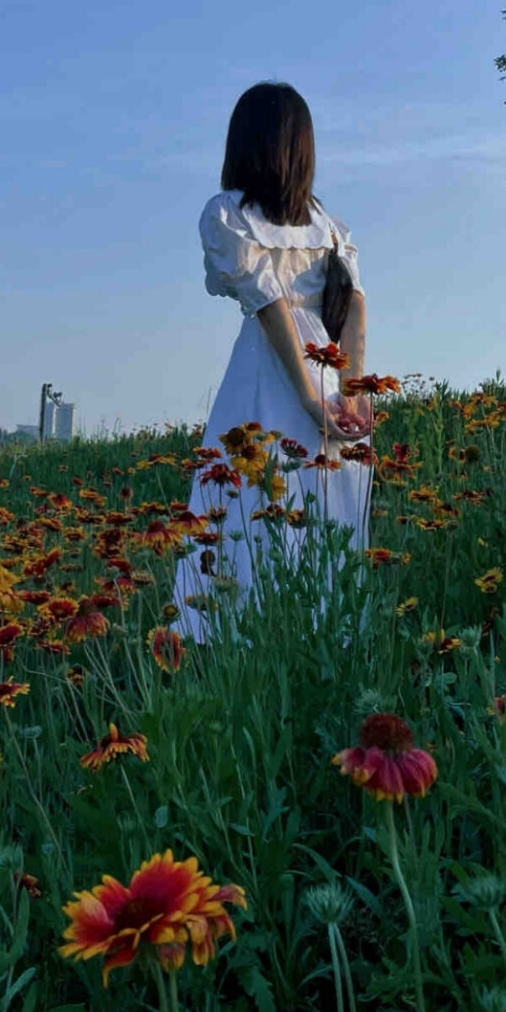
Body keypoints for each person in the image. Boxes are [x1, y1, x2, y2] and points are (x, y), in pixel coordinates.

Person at [172, 82, 374, 645]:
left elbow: (269, 305)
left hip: (271, 368)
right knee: (323, 509)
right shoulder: (330, 226)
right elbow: (354, 307)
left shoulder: (228, 214)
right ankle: (323, 645)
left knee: (251, 503)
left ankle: (240, 643)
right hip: (329, 363)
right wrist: (351, 390)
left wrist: (310, 399)